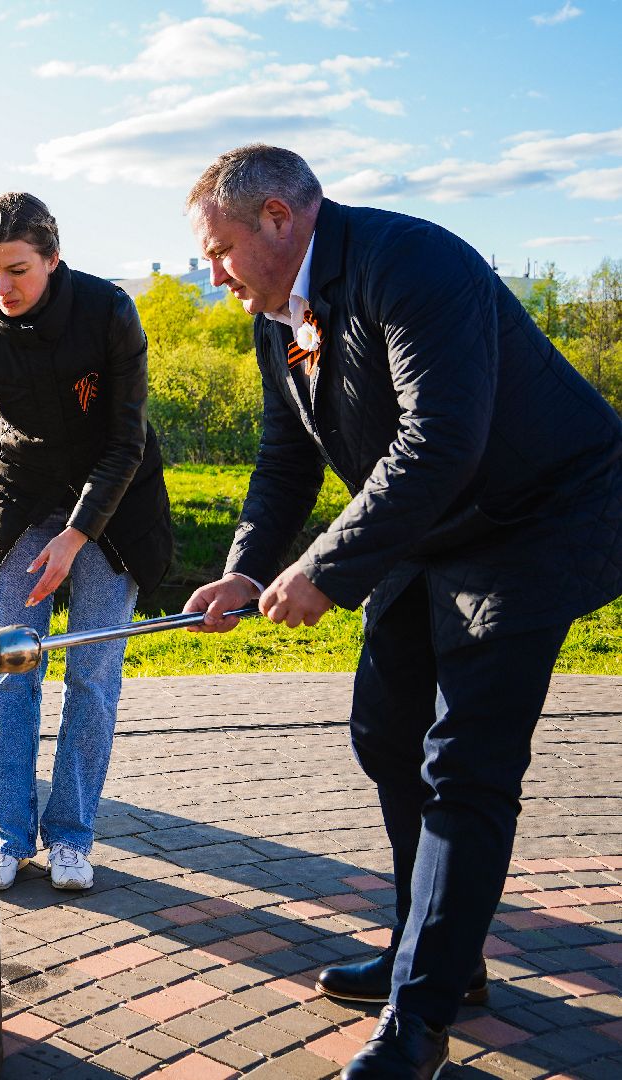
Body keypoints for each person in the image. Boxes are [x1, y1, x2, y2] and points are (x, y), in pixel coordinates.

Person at [180, 145, 622, 1079]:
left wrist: (327, 571)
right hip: (432, 526)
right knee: (386, 733)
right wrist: (243, 571)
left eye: (217, 250)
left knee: (466, 763)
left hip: (536, 518)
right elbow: (285, 460)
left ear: (275, 218)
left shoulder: (411, 263)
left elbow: (442, 435)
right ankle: (436, 957)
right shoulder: (277, 320)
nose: (212, 274)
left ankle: (419, 1021)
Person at [0, 192, 174, 893]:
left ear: (52, 258)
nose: (2, 288)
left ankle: (72, 836)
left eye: (16, 270)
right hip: (22, 502)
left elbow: (125, 440)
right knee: (10, 671)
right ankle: (8, 836)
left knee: (92, 674)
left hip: (114, 504)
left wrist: (79, 536)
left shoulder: (109, 312)